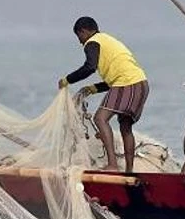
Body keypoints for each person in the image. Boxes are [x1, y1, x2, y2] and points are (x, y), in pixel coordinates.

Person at [59, 16, 149, 172]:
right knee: (125, 127)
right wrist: (92, 89)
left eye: (79, 36)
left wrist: (67, 80)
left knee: (100, 118)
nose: (80, 42)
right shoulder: (107, 40)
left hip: (127, 83)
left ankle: (112, 165)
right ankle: (129, 170)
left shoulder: (92, 42)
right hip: (141, 84)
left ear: (84, 31)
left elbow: (89, 67)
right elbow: (114, 76)